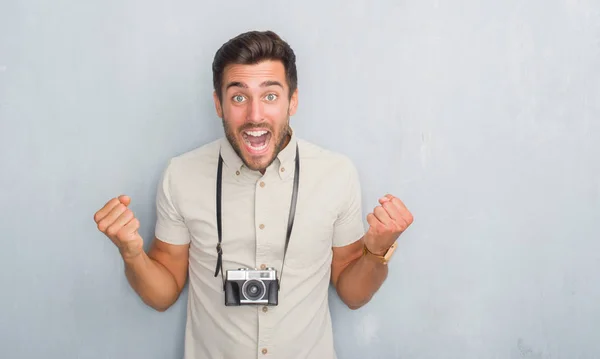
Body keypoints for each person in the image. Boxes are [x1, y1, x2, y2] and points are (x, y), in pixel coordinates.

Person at [93, 30, 413, 359]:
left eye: (270, 96)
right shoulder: (181, 175)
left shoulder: (336, 174)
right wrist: (132, 254)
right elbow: (162, 295)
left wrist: (376, 253)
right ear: (219, 104)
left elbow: (352, 293)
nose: (255, 115)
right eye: (239, 97)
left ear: (293, 100)